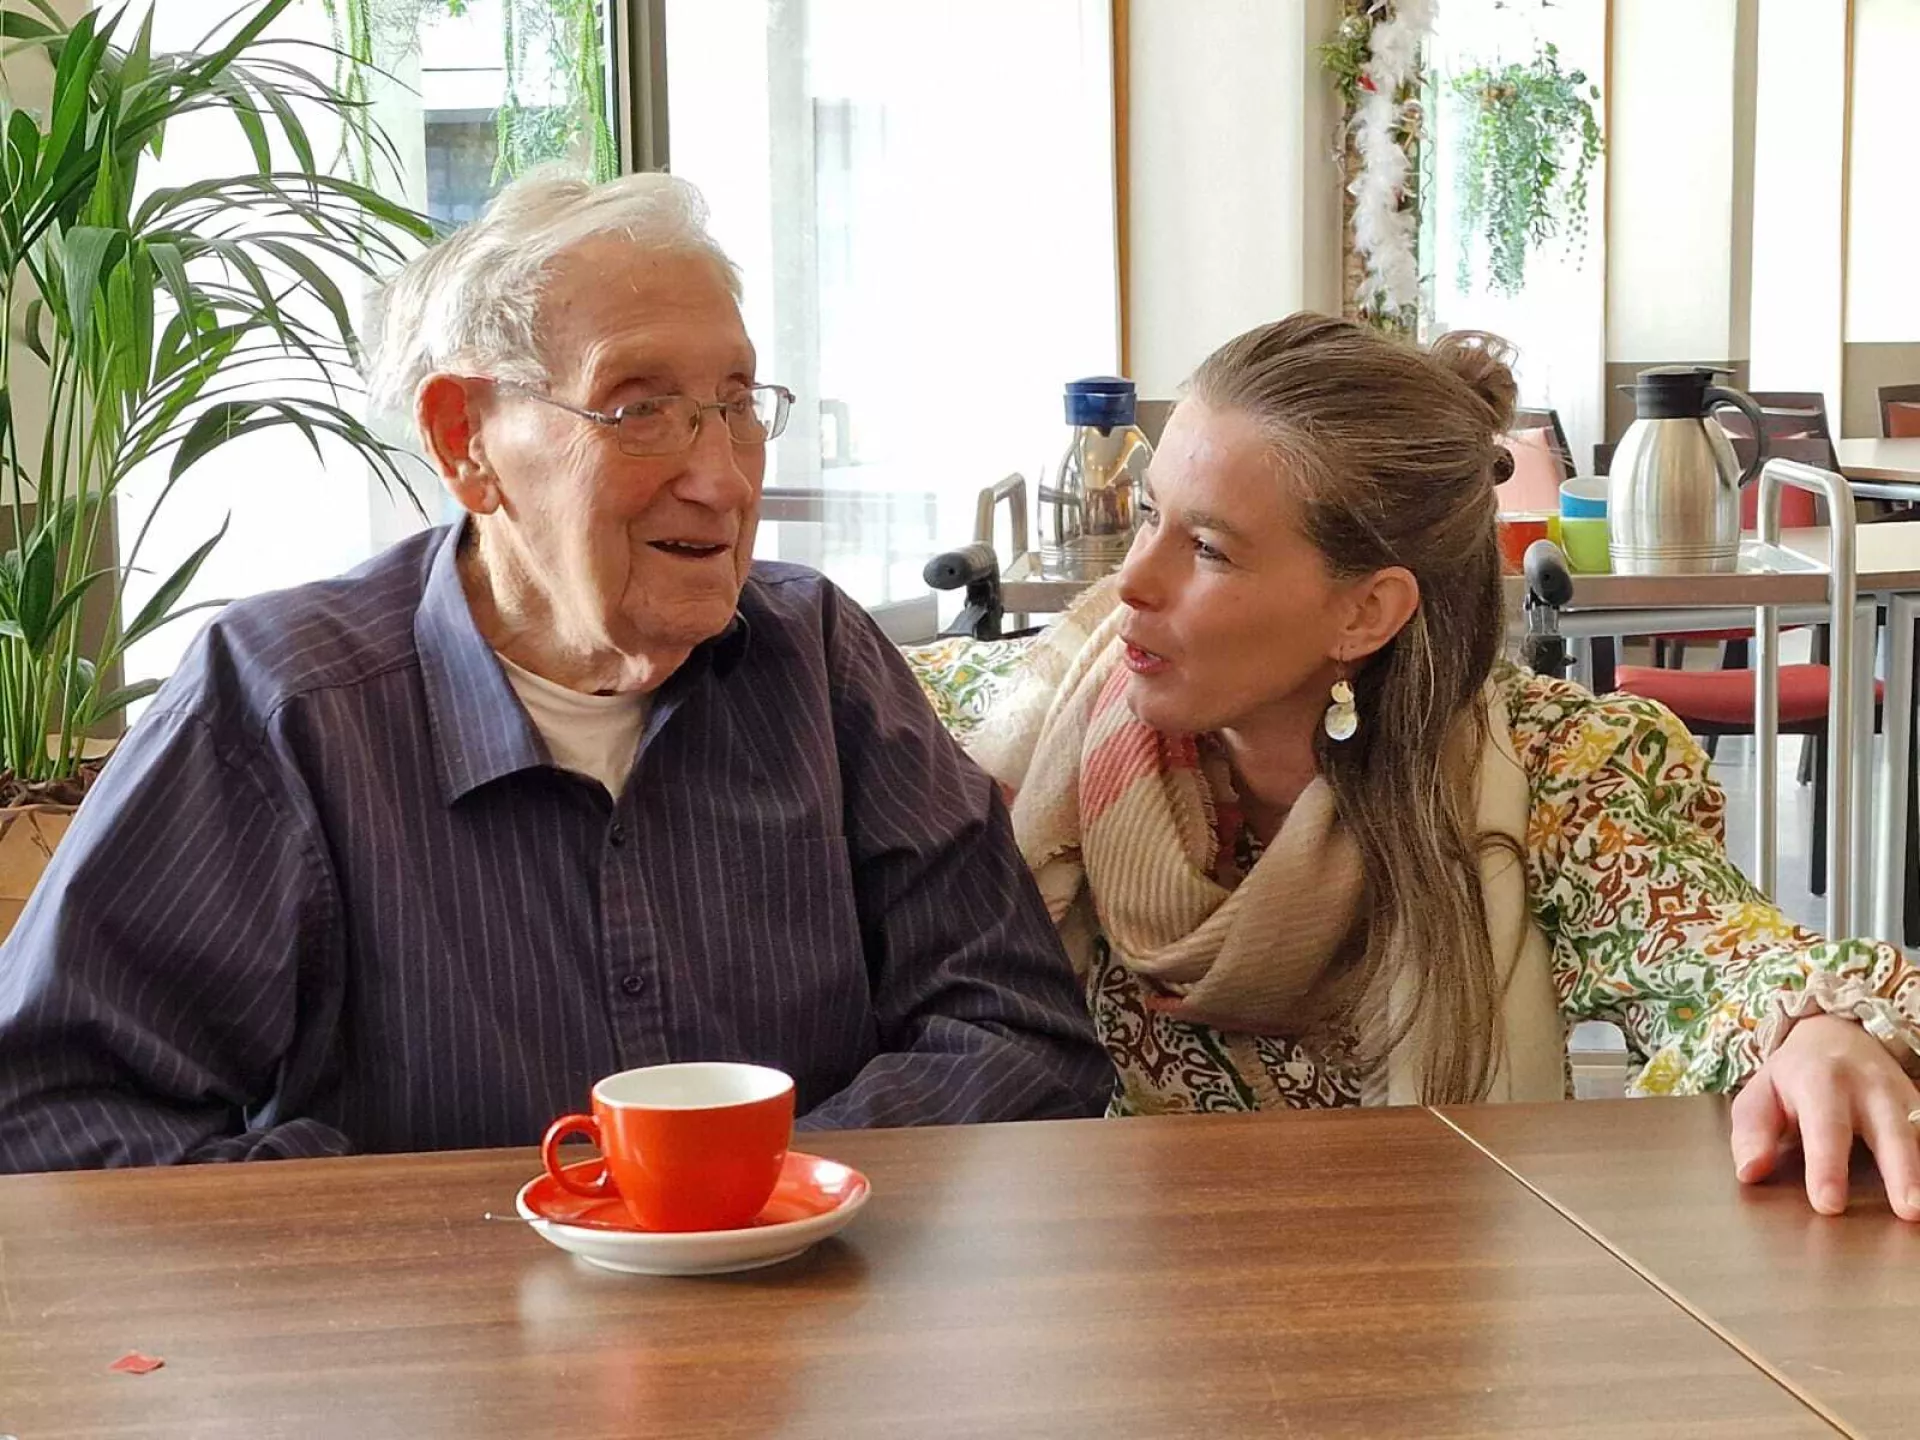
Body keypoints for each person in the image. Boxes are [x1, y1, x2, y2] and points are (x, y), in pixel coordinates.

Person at [0, 171, 1112, 1170]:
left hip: (813, 1311)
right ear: (466, 442)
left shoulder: (818, 660)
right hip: (443, 1331)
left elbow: (1018, 1031)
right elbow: (51, 1112)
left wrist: (746, 1192)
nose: (723, 481)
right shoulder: (282, 708)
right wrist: (422, 1239)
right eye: (639, 409)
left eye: (735, 405)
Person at [964, 313, 1920, 1219]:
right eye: (1148, 515)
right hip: (1123, 1288)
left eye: (1207, 548)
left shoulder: (1552, 770)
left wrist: (1817, 1030)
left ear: (1365, 613)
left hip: (1436, 1291)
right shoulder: (1047, 735)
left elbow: (1711, 953)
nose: (1131, 581)